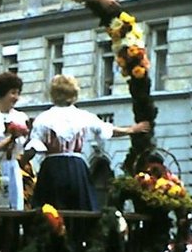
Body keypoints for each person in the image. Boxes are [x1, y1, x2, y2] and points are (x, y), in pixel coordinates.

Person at [21, 73, 150, 211]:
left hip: (52, 168)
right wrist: (131, 130)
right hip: (76, 167)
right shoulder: (83, 116)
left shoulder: (43, 118)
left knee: (49, 209)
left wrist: (21, 162)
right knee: (81, 209)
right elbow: (107, 130)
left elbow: (33, 147)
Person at [0, 70, 31, 208]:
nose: (16, 97)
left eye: (18, 93)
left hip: (13, 165)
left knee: (15, 204)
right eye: (12, 92)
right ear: (2, 93)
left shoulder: (20, 117)